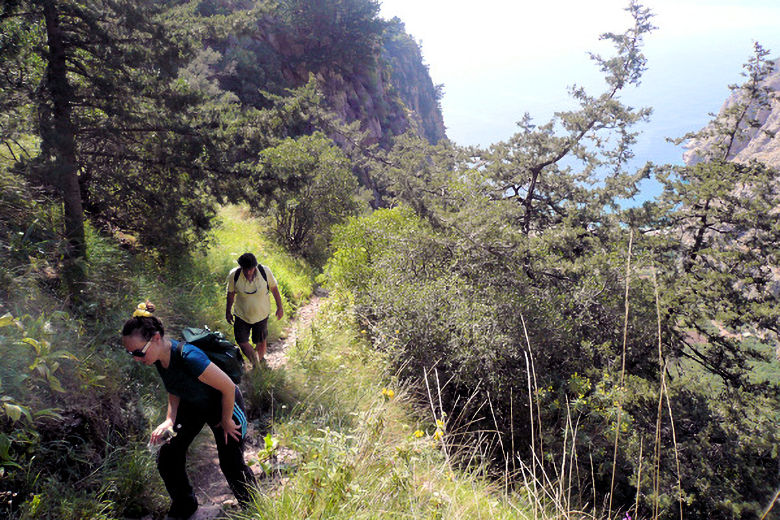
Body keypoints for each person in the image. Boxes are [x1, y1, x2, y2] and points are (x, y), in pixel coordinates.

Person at [121, 301, 256, 520]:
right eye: (130, 354)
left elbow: (228, 388)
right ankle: (186, 506)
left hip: (225, 405)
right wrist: (169, 420)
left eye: (138, 352)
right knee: (168, 456)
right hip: (194, 406)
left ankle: (255, 509)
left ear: (155, 339)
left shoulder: (190, 357)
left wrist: (226, 420)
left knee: (231, 463)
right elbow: (174, 388)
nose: (136, 358)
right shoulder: (157, 358)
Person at [225, 252, 284, 366]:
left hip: (261, 315)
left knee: (260, 342)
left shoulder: (265, 272)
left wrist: (280, 307)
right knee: (241, 341)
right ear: (241, 267)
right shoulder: (235, 275)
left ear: (255, 267)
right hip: (241, 315)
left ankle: (258, 364)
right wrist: (228, 311)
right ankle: (256, 363)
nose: (248, 272)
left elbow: (274, 289)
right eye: (245, 269)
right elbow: (230, 294)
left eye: (250, 269)